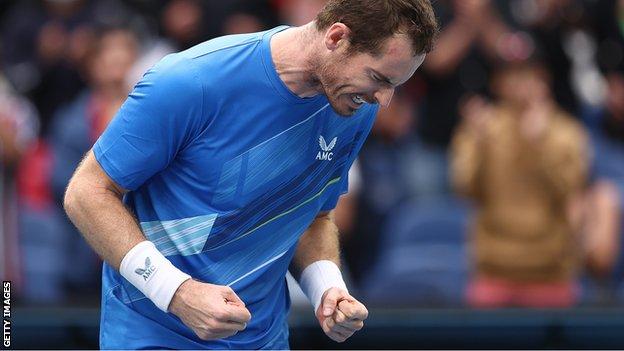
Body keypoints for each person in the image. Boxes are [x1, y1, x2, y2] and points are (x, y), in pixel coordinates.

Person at [63, 0, 438, 349]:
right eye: (379, 78)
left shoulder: (354, 105)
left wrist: (327, 287)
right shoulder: (192, 81)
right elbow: (86, 192)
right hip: (153, 334)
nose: (384, 100)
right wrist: (176, 292)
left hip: (263, 338)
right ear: (336, 37)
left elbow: (313, 216)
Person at [451, 59, 589, 308]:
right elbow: (464, 189)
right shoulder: (480, 127)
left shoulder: (567, 132)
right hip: (493, 268)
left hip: (550, 270)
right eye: (514, 76)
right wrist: (481, 147)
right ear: (498, 83)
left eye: (531, 77)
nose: (522, 85)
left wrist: (540, 146)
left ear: (544, 81)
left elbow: (570, 191)